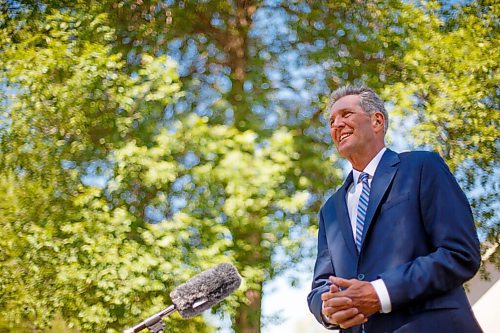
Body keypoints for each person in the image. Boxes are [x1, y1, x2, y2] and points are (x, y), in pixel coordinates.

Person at [307, 85, 482, 333]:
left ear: (377, 121)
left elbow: (460, 253)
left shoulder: (422, 167)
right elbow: (320, 286)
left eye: (346, 114)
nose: (336, 125)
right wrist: (329, 308)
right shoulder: (330, 211)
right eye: (332, 121)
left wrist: (380, 292)